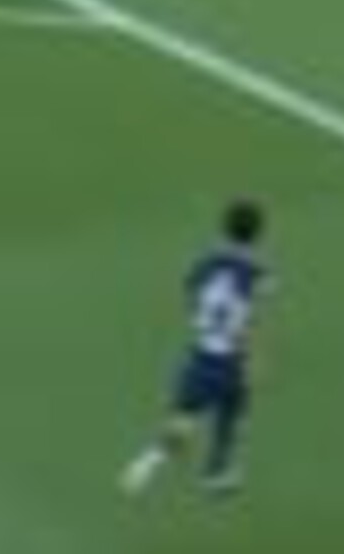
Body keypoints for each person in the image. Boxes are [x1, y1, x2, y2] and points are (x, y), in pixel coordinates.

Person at [120, 200, 269, 498]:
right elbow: (248, 317)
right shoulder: (258, 272)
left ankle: (149, 461)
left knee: (183, 422)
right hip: (231, 358)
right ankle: (216, 473)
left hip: (201, 353)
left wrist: (202, 322)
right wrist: (252, 358)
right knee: (232, 416)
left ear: (225, 228)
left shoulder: (205, 263)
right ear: (258, 233)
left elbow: (190, 292)